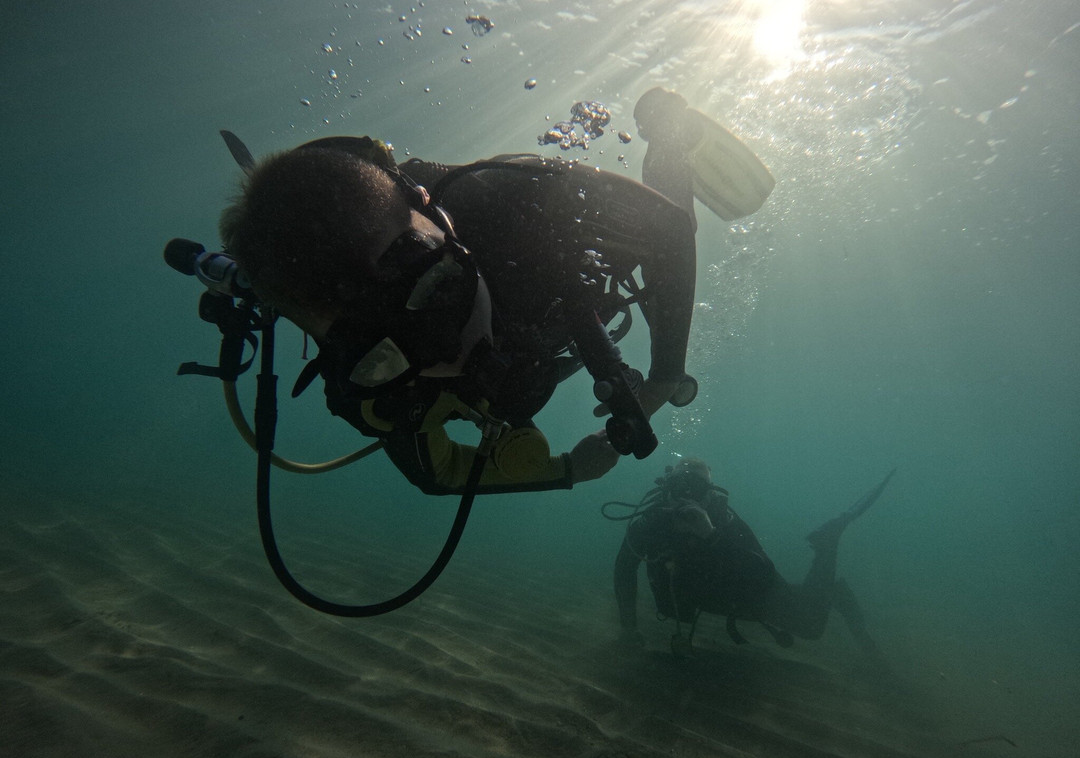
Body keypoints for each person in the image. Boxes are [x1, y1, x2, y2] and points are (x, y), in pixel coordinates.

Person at [216, 89, 773, 496]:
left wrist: (664, 377)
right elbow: (437, 475)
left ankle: (667, 137)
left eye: (438, 292)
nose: (454, 355)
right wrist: (568, 469)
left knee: (666, 235)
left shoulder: (511, 199)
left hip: (549, 259)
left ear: (429, 213)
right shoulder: (372, 391)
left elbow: (669, 231)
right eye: (385, 355)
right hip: (538, 318)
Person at [612, 458, 892, 659]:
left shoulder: (724, 520)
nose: (686, 497)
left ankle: (828, 542)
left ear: (708, 494)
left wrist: (711, 535)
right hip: (712, 599)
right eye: (679, 487)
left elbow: (762, 574)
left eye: (695, 489)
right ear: (666, 489)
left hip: (747, 594)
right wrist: (628, 628)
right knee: (802, 609)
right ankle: (824, 590)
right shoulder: (651, 523)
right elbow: (625, 568)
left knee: (811, 626)